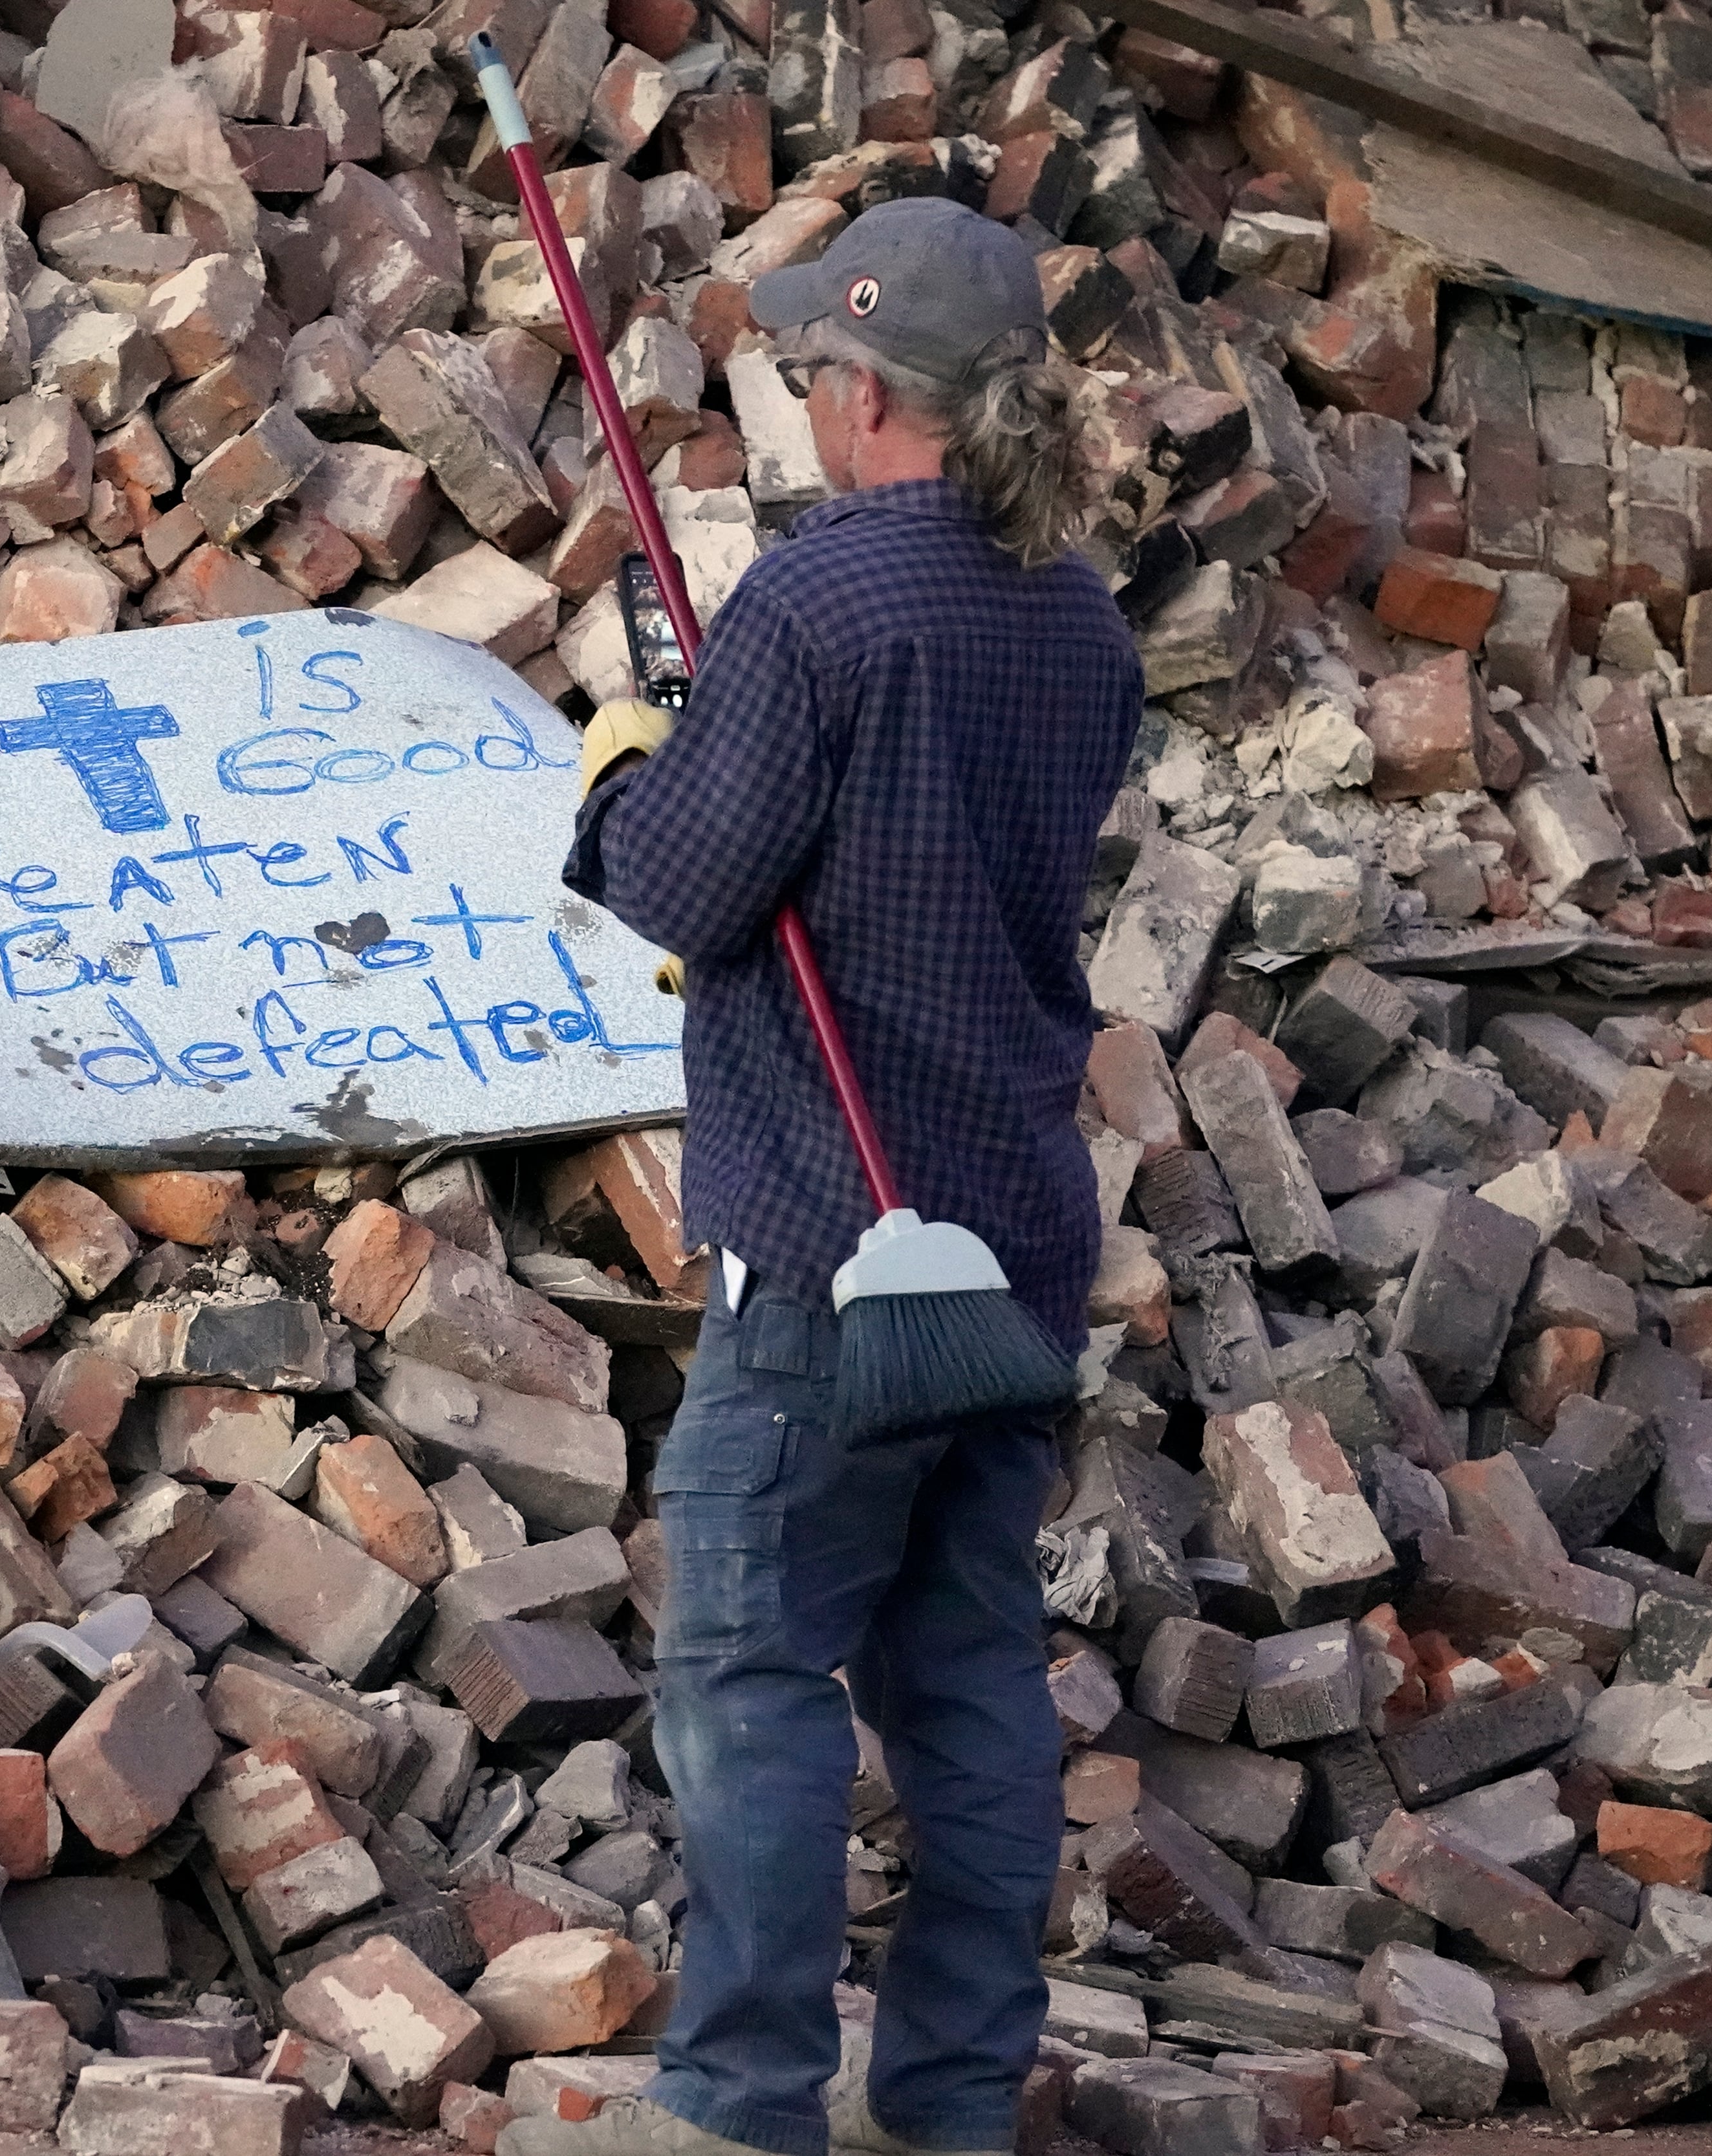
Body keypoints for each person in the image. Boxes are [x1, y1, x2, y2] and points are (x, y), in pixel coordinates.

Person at [510, 197, 1145, 2156]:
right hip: (1011, 1240)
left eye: (807, 377)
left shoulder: (817, 604)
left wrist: (623, 773)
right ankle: (948, 2101)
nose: (804, 407)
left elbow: (694, 887)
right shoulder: (1083, 618)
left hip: (823, 1237)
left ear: (867, 389)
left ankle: (741, 2110)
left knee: (751, 1669)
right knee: (964, 1678)